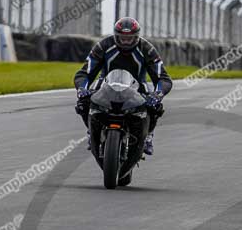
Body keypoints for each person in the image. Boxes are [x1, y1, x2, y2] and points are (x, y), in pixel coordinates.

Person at [73, 17, 172, 155]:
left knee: (155, 106)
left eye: (129, 38)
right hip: (105, 85)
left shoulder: (147, 49)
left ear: (136, 37)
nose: (126, 41)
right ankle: (91, 131)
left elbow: (163, 78)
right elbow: (84, 73)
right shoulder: (103, 46)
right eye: (122, 38)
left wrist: (158, 94)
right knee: (83, 102)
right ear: (116, 36)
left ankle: (148, 136)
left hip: (138, 86)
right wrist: (82, 89)